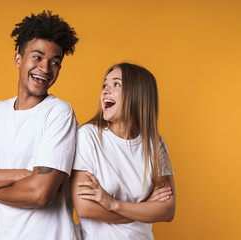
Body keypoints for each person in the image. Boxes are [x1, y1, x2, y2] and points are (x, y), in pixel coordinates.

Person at [0, 11, 81, 240]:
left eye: (55, 62)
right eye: (38, 57)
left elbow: (40, 193)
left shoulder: (59, 113)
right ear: (18, 59)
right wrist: (20, 175)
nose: (45, 69)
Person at [71, 63, 176, 240]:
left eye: (116, 84)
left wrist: (112, 204)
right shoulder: (89, 137)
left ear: (137, 93)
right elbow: (85, 207)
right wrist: (145, 208)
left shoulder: (155, 144)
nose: (105, 91)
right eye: (105, 85)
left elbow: (166, 211)